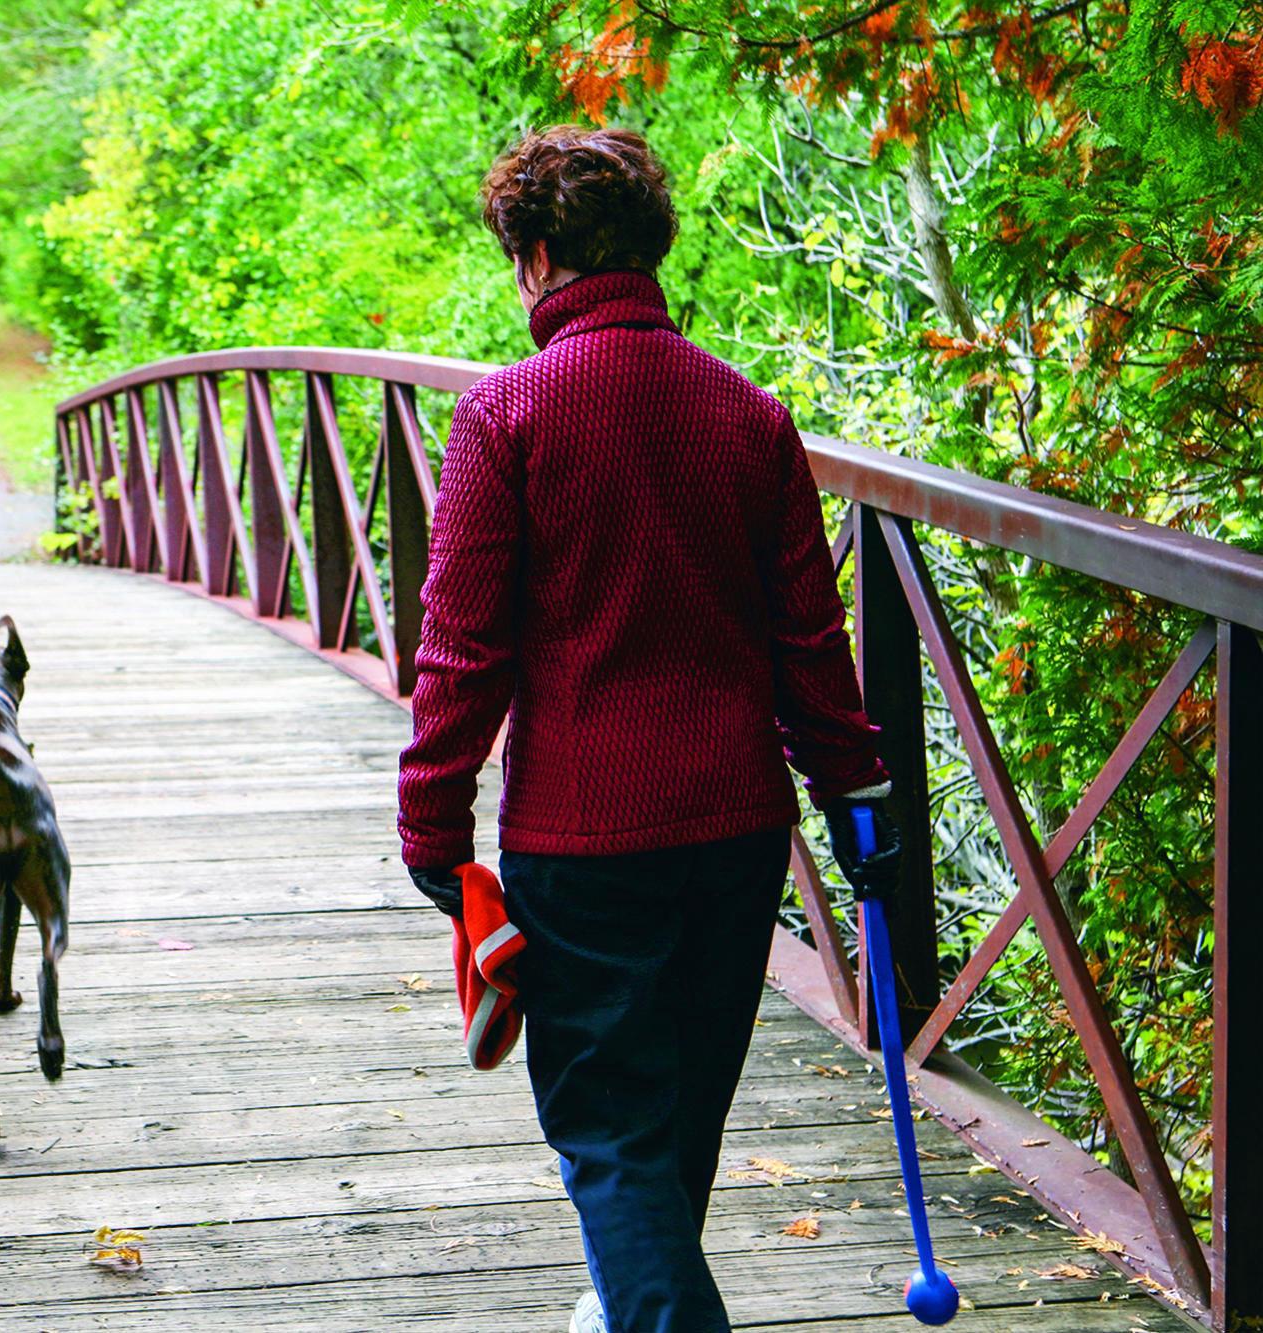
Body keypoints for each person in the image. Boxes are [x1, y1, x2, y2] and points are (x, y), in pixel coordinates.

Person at [396, 126, 904, 1333]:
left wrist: (431, 819)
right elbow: (808, 648)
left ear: (533, 256)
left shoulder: (505, 417)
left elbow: (462, 649)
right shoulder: (747, 417)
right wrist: (857, 795)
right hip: (735, 835)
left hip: (584, 839)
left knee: (605, 1125)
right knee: (675, 1115)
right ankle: (628, 1304)